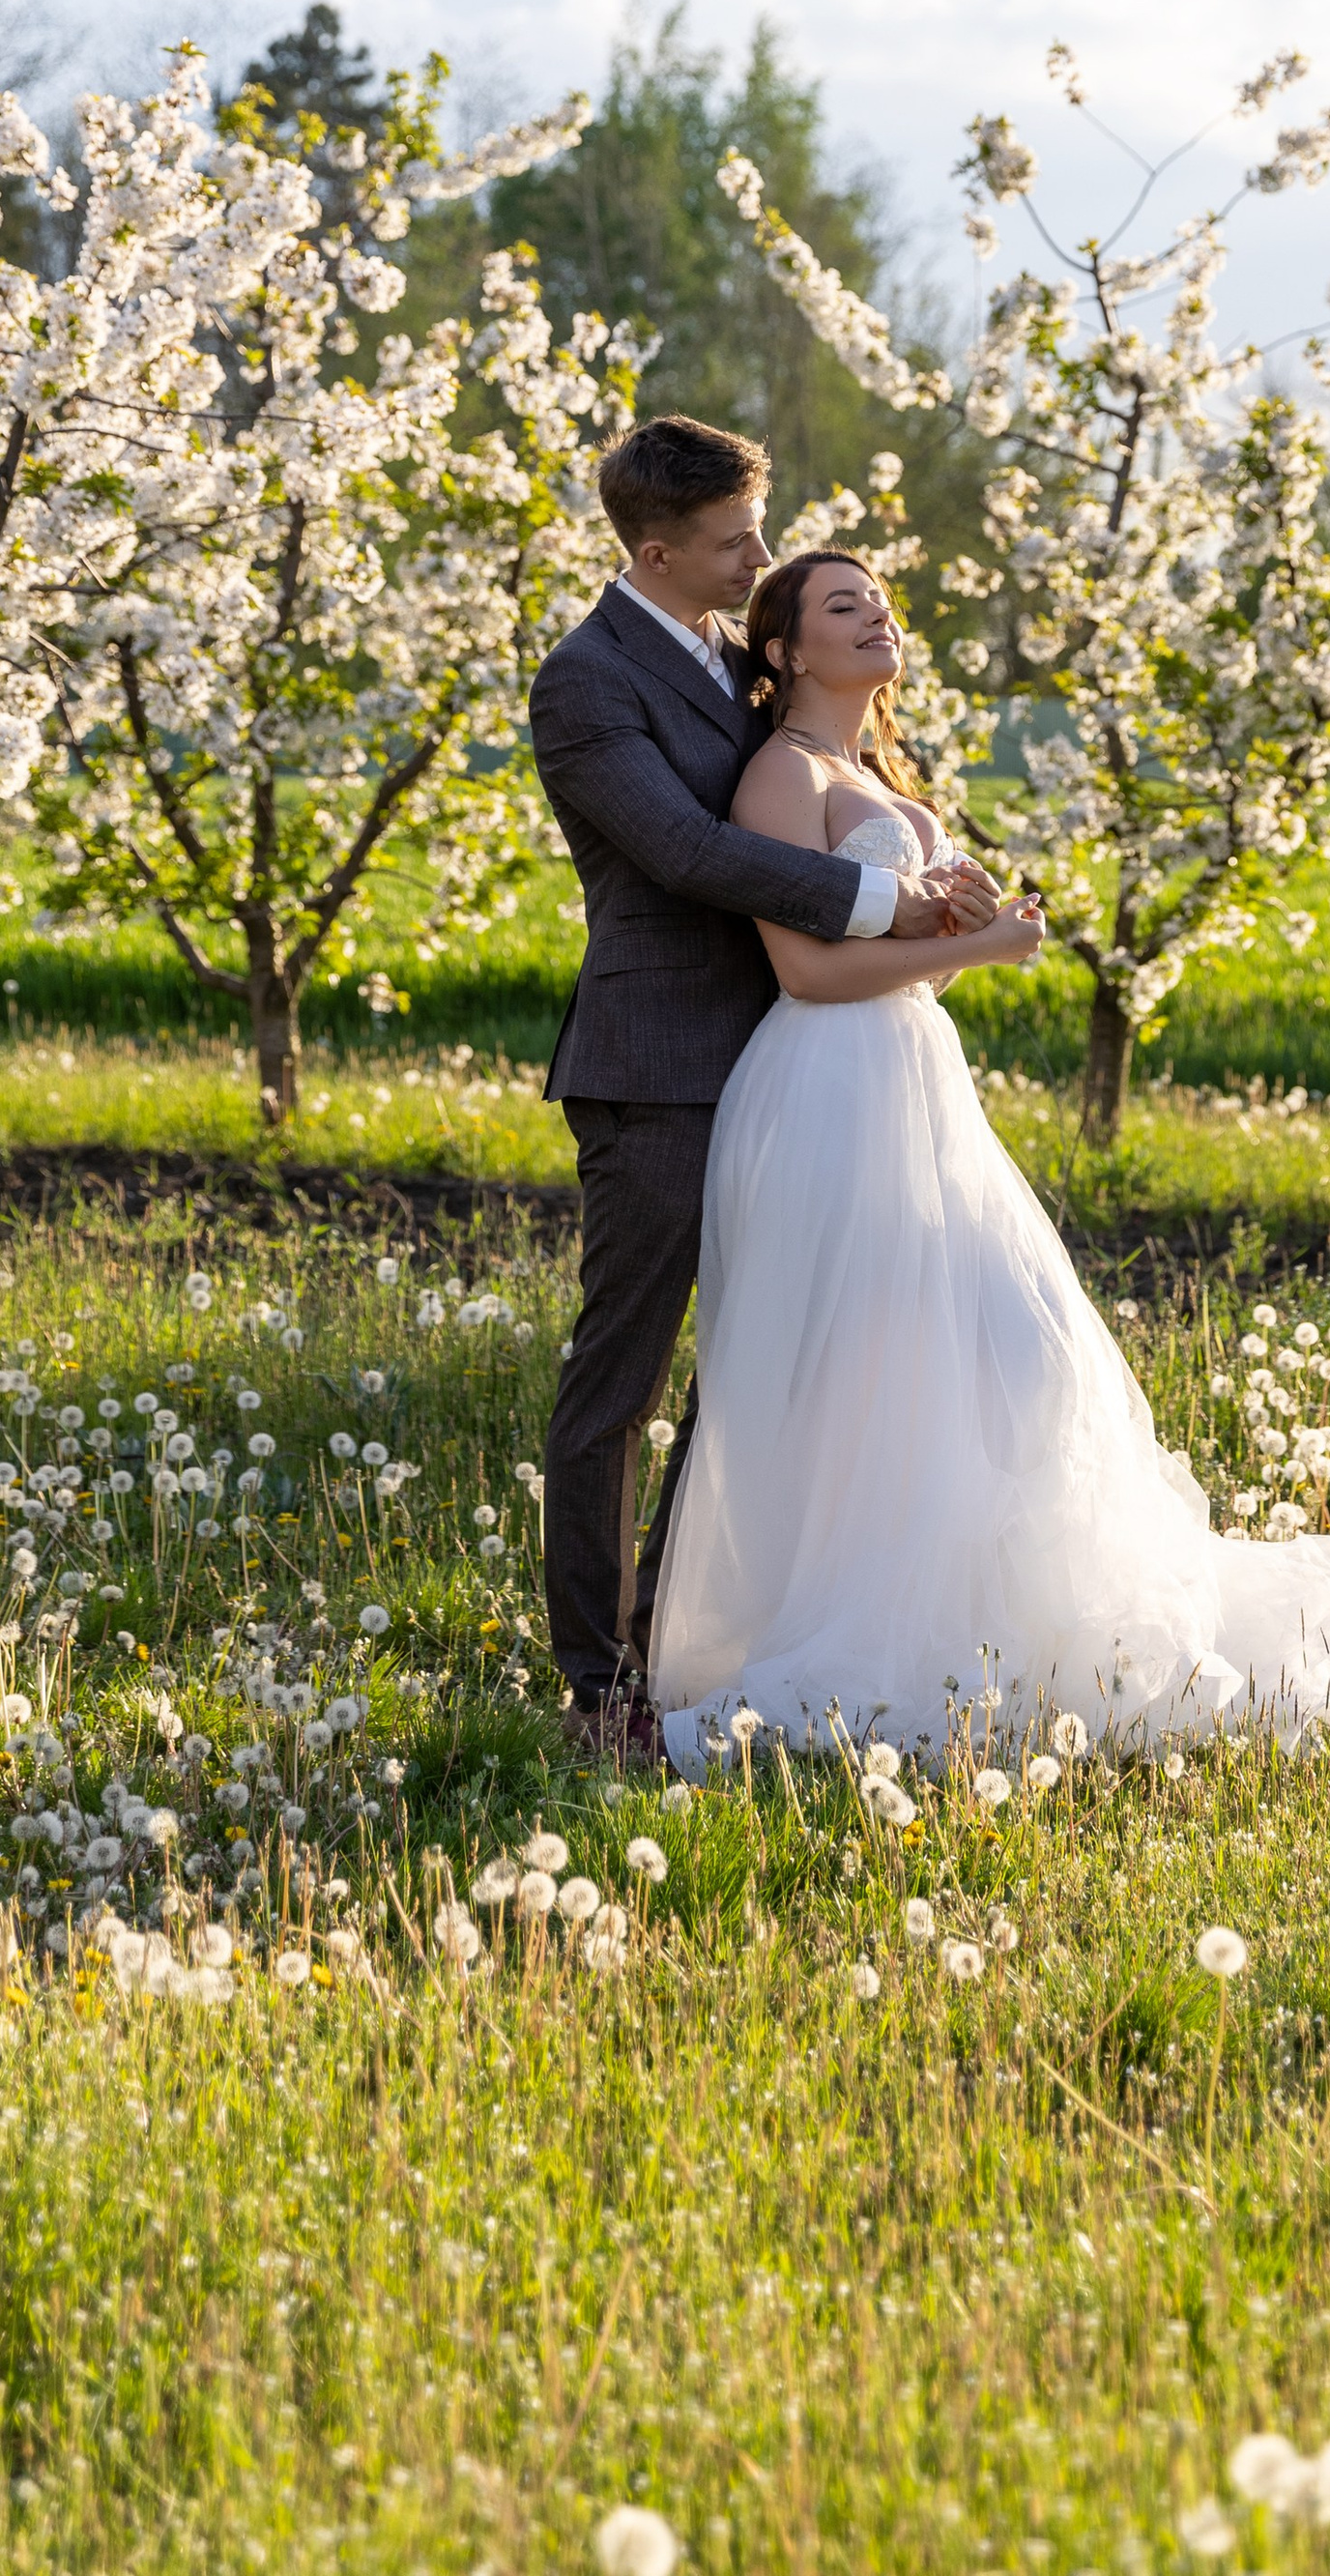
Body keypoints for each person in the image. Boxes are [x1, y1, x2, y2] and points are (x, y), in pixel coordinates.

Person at [643, 542, 1330, 1772]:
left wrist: (963, 933)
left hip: (913, 1081)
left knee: (1000, 1352)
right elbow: (807, 970)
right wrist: (980, 953)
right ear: (783, 652)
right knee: (876, 1364)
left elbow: (903, 962)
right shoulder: (781, 775)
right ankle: (866, 1638)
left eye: (880, 599)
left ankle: (1002, 1622)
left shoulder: (872, 768)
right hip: (828, 1090)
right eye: (842, 606)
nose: (876, 616)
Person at [529, 415, 1003, 1763]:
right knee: (620, 1383)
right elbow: (682, 848)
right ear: (662, 548)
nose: (761, 555)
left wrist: (931, 890)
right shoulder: (586, 681)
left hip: (795, 1074)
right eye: (738, 539)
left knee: (757, 1374)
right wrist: (888, 902)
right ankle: (597, 1680)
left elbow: (820, 754)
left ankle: (693, 1638)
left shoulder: (736, 659)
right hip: (663, 1068)